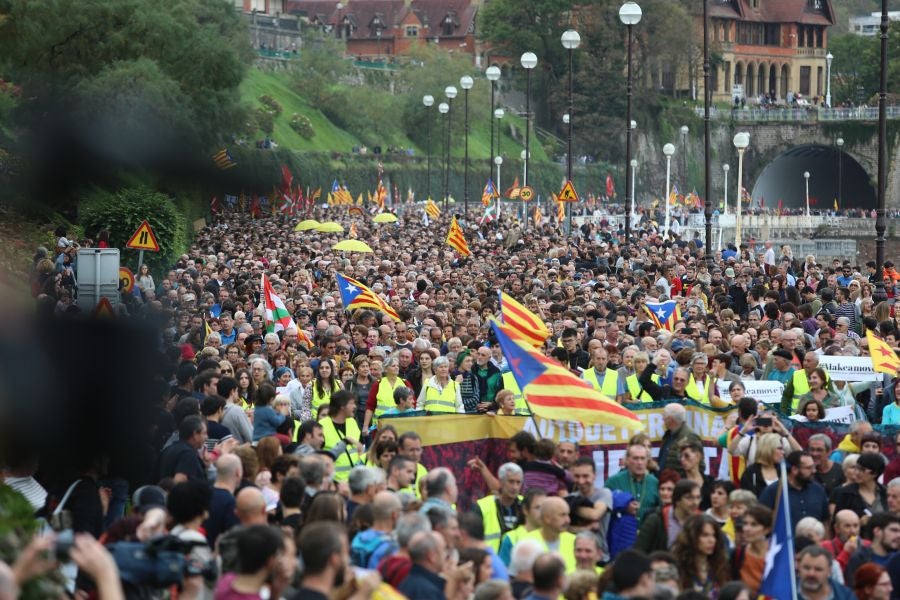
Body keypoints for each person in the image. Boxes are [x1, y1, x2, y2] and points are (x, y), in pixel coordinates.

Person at [760, 451, 828, 533]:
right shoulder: (774, 492)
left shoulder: (818, 490)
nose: (814, 471)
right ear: (794, 469)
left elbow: (825, 520)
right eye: (808, 468)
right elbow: (762, 521)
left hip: (814, 543)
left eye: (813, 467)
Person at [635, 479, 700, 553]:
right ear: (677, 500)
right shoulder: (656, 520)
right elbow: (638, 551)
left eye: (698, 497)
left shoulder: (700, 521)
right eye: (689, 498)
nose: (695, 502)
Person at [671, 514, 729, 595]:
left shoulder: (720, 567)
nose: (711, 540)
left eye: (714, 535)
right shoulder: (678, 568)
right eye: (705, 535)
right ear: (691, 537)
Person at [474, 462, 524, 553]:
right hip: (491, 562)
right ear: (501, 482)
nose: (515, 487)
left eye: (518, 482)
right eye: (511, 481)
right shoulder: (483, 506)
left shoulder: (526, 504)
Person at [604, 442, 660, 521]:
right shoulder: (613, 482)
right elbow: (603, 508)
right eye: (635, 458)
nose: (639, 462)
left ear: (647, 460)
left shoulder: (655, 483)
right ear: (627, 460)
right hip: (622, 531)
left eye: (642, 458)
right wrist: (623, 507)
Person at [844, 512, 900, 586]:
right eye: (894, 530)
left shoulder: (897, 559)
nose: (899, 535)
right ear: (877, 531)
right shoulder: (859, 559)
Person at [319, 391, 363, 483]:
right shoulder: (321, 426)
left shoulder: (352, 422)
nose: (354, 406)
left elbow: (359, 448)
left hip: (354, 481)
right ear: (342, 406)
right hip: (333, 482)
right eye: (351, 403)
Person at [524, 497, 577, 573]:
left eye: (568, 515)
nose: (568, 520)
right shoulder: (528, 542)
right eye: (562, 515)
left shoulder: (575, 541)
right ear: (547, 518)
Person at [832, 452, 888, 518]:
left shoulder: (885, 492)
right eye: (856, 468)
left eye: (862, 469)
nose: (857, 472)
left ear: (875, 473)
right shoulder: (846, 493)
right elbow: (837, 520)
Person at [730, 504, 773, 593]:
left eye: (754, 525)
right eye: (745, 523)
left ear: (767, 529)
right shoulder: (737, 554)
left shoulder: (777, 554)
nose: (747, 529)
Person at [156, 415, 207, 483]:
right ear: (195, 434)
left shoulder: (167, 449)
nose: (206, 437)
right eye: (204, 433)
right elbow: (179, 482)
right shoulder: (188, 455)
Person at [657, 403, 701, 474]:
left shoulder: (690, 437)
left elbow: (700, 465)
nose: (662, 419)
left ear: (670, 419)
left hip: (682, 483)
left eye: (664, 416)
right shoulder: (668, 435)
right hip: (667, 481)